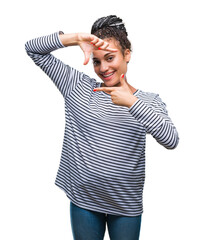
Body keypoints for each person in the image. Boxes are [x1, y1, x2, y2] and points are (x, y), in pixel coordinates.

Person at [25, 15, 179, 240]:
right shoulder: (77, 86)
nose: (103, 68)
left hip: (125, 204)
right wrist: (75, 38)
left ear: (127, 54)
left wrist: (131, 103)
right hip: (84, 200)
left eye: (110, 58)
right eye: (97, 61)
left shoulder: (148, 101)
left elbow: (171, 140)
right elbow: (33, 49)